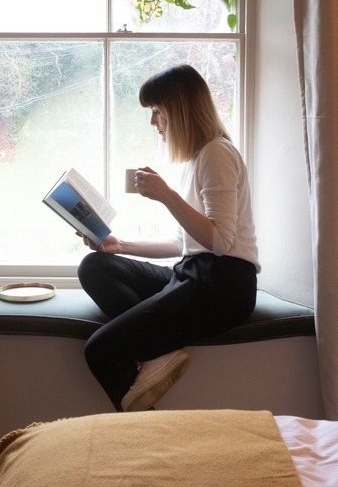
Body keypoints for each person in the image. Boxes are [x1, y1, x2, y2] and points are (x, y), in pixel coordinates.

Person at [78, 64, 259, 412]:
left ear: (180, 111)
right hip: (194, 272)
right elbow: (182, 245)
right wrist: (120, 246)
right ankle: (159, 350)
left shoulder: (217, 154)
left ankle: (150, 435)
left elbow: (220, 243)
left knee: (100, 350)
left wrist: (166, 195)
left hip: (223, 285)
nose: (153, 123)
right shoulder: (196, 158)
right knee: (95, 266)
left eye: (157, 112)